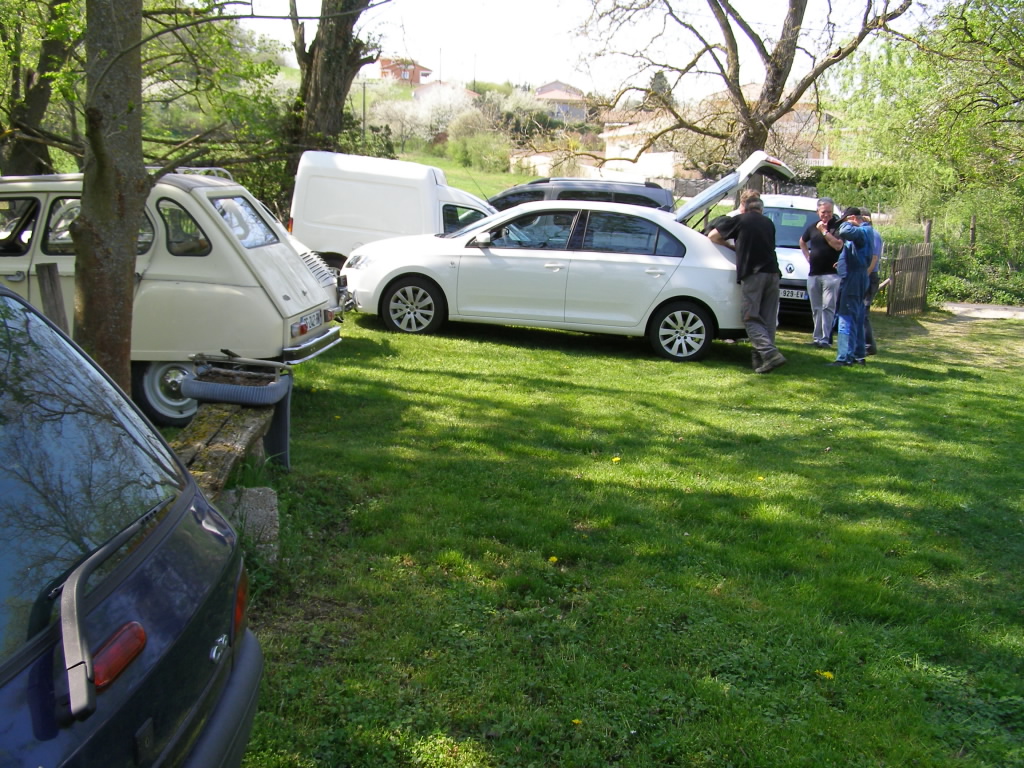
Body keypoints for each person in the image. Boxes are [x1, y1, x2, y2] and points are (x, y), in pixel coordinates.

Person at [708, 197, 786, 373]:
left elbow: (713, 236)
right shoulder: (769, 223)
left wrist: (732, 247)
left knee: (749, 316)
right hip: (773, 273)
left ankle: (770, 353)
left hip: (753, 273)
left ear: (744, 208)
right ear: (761, 209)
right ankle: (762, 361)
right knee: (768, 319)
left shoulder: (740, 220)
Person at [829, 207, 872, 366]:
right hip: (859, 277)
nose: (843, 225)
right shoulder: (867, 231)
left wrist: (850, 223)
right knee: (857, 317)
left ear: (853, 217)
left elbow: (845, 232)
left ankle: (845, 357)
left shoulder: (860, 232)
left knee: (846, 317)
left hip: (853, 279)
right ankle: (858, 355)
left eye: (846, 220)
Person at [799, 197, 843, 348]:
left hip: (831, 274)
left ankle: (825, 339)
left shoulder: (837, 227)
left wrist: (824, 231)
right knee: (816, 308)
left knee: (828, 308)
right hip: (814, 274)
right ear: (818, 211)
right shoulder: (812, 227)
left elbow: (837, 245)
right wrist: (808, 257)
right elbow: (802, 241)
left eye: (829, 212)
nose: (827, 215)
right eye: (824, 212)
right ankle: (817, 338)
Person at [859, 209, 883, 355]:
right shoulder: (866, 233)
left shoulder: (872, 234)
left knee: (863, 312)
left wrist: (865, 275)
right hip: (866, 275)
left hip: (869, 275)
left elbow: (874, 258)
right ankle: (865, 345)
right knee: (861, 312)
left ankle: (868, 346)